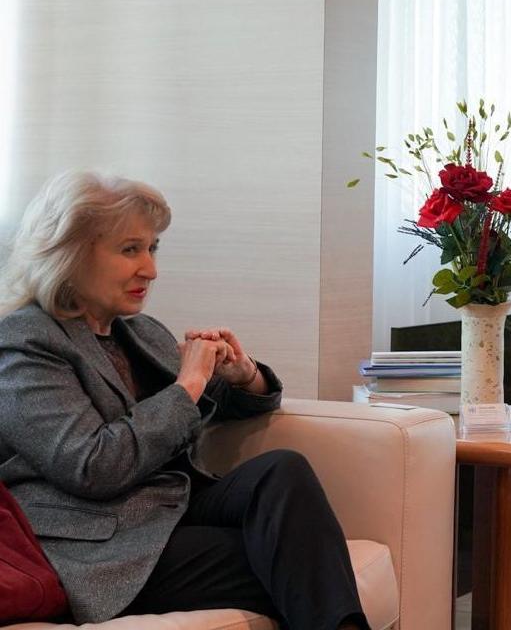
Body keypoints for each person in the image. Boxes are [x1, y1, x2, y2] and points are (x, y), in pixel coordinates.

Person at [0, 171, 370, 630]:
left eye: (152, 248)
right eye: (130, 250)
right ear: (70, 254)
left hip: (167, 509)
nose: (150, 269)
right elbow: (92, 466)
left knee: (282, 469)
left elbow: (216, 406)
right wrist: (189, 382)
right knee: (302, 564)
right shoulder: (23, 344)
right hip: (96, 546)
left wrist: (244, 376)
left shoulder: (138, 331)